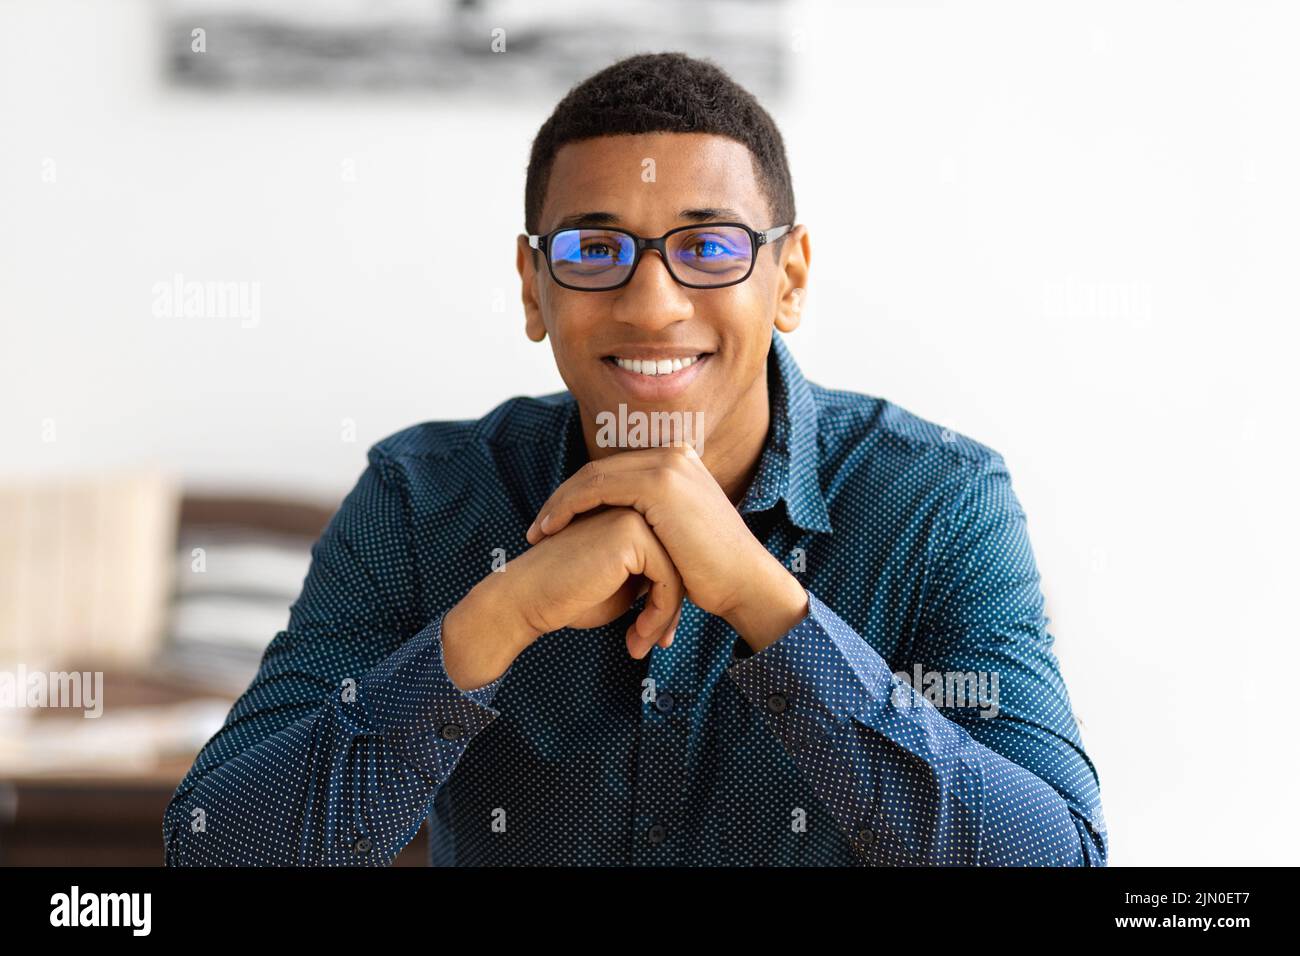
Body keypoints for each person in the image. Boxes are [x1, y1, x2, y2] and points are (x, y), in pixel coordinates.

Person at [163, 51, 1107, 866]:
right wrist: (497, 618)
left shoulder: (938, 501)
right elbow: (211, 846)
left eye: (707, 246)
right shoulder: (423, 499)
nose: (652, 303)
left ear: (791, 278)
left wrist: (766, 604)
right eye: (593, 247)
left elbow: (1059, 855)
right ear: (534, 288)